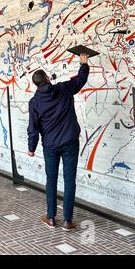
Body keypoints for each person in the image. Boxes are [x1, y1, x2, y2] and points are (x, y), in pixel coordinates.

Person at [27, 53, 90, 231]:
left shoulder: (34, 102)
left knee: (51, 180)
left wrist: (31, 148)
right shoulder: (63, 88)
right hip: (70, 142)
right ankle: (68, 221)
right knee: (69, 180)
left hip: (50, 146)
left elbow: (33, 128)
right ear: (47, 78)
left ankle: (51, 217)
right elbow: (80, 80)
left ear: (37, 84)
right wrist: (84, 64)